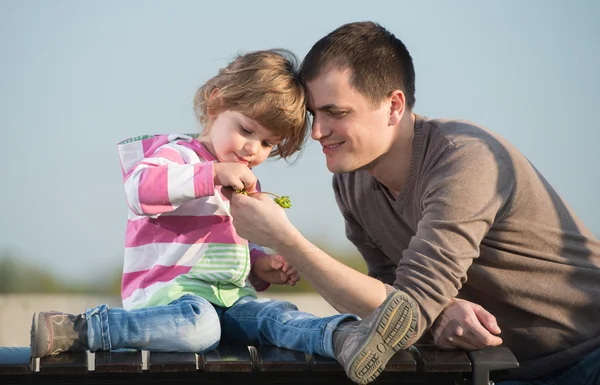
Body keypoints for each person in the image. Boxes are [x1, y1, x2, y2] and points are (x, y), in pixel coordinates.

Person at [224, 23, 600, 384]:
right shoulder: (351, 180)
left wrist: (287, 241)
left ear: (393, 106)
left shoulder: (464, 160)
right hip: (496, 369)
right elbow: (388, 293)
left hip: (587, 357)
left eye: (335, 113)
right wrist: (438, 314)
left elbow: (406, 313)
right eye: (314, 115)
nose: (318, 132)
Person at [29, 48, 420, 385]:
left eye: (268, 143)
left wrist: (260, 264)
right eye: (246, 130)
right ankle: (84, 328)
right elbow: (139, 189)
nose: (253, 149)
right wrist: (211, 174)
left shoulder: (238, 176)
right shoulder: (179, 156)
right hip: (170, 300)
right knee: (200, 326)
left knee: (276, 318)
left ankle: (346, 338)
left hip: (230, 300)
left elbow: (225, 244)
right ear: (216, 103)